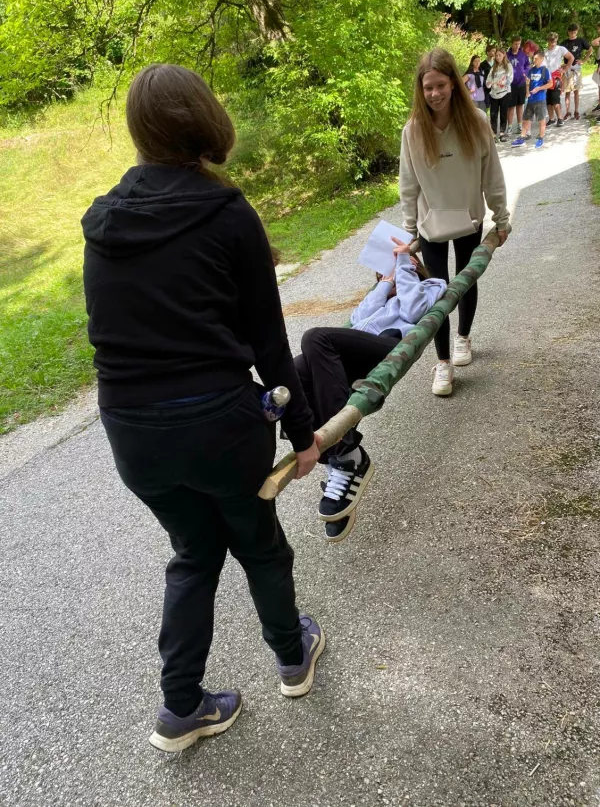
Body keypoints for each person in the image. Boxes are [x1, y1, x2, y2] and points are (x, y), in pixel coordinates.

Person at [81, 64, 325, 754]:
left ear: (140, 131)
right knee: (257, 541)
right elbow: (269, 343)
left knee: (193, 552)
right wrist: (304, 435)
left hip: (131, 433)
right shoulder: (228, 214)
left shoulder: (103, 222)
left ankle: (181, 706)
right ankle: (292, 656)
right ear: (206, 119)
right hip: (218, 426)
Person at [295, 242, 447, 542]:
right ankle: (337, 459)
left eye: (396, 269)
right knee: (297, 368)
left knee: (314, 337)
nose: (388, 276)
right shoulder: (382, 293)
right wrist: (383, 286)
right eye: (382, 273)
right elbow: (358, 319)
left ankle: (345, 451)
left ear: (413, 266)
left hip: (391, 347)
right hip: (353, 351)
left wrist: (403, 266)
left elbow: (414, 309)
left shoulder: (431, 285)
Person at [399, 48, 511, 398]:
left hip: (469, 218)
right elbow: (408, 185)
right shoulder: (413, 131)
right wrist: (409, 231)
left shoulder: (475, 121)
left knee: (465, 280)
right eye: (428, 87)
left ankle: (463, 337)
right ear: (420, 89)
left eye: (441, 85)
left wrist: (501, 217)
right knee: (437, 291)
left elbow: (492, 175)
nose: (434, 94)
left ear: (454, 84)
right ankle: (443, 361)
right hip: (430, 224)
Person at [511, 50, 551, 149]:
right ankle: (522, 138)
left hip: (540, 99)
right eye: (533, 58)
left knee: (541, 120)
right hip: (531, 99)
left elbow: (550, 84)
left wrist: (539, 88)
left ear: (542, 59)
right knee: (526, 119)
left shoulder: (545, 70)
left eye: (536, 58)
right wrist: (527, 91)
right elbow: (528, 82)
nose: (534, 60)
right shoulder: (531, 70)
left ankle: (541, 138)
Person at [543, 32, 574, 127]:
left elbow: (571, 57)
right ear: (548, 41)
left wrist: (565, 69)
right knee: (548, 100)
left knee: (555, 99)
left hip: (556, 77)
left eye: (555, 41)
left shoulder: (561, 49)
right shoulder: (545, 51)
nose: (553, 43)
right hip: (547, 77)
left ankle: (560, 118)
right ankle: (551, 119)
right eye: (551, 41)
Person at [562, 23, 592, 120]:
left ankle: (576, 111)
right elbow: (558, 54)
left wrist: (584, 60)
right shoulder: (564, 43)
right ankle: (568, 112)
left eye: (574, 32)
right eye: (571, 32)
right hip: (567, 69)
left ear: (577, 32)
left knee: (576, 91)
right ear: (568, 32)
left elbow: (590, 49)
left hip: (577, 68)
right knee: (567, 91)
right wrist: (562, 65)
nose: (573, 34)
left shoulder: (581, 41)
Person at [486, 47, 513, 142]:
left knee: (503, 113)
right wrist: (489, 83)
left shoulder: (508, 66)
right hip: (494, 94)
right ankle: (493, 133)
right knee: (493, 114)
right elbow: (488, 80)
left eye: (499, 55)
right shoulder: (494, 67)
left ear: (504, 55)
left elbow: (510, 79)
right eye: (496, 55)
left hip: (505, 93)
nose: (497, 57)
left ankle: (502, 133)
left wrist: (503, 83)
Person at [507, 35, 530, 134]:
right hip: (511, 84)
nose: (517, 46)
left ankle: (519, 125)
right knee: (511, 106)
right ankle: (509, 126)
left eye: (519, 44)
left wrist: (525, 72)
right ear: (511, 43)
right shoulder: (507, 55)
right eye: (515, 44)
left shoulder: (523, 55)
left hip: (521, 83)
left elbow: (527, 65)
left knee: (520, 105)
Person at [479, 45, 496, 111]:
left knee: (494, 107)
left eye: (495, 51)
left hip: (495, 87)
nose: (494, 52)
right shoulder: (482, 64)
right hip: (486, 89)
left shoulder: (496, 63)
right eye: (492, 51)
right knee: (486, 106)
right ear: (488, 52)